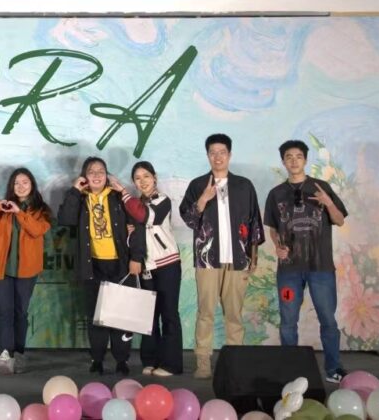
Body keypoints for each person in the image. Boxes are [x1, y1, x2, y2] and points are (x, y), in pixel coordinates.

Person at [179, 133, 264, 379]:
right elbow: (188, 219)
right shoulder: (197, 185)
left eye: (222, 152)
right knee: (205, 311)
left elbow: (254, 222)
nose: (217, 157)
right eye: (213, 152)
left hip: (238, 259)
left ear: (229, 155)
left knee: (234, 314)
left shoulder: (244, 185)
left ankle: (235, 361)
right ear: (207, 155)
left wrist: (253, 256)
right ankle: (203, 361)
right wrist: (203, 200)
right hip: (207, 260)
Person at [264, 139, 349, 383]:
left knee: (328, 320)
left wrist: (328, 202)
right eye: (289, 157)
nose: (294, 161)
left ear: (305, 160)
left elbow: (340, 220)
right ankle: (291, 370)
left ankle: (333, 368)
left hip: (320, 268)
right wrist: (277, 246)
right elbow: (273, 227)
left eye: (298, 156)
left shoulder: (321, 187)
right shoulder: (276, 194)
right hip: (289, 271)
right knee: (288, 321)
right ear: (283, 161)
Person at [57, 156, 147, 376]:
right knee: (96, 317)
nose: (96, 175)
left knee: (120, 316)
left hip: (120, 265)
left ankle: (121, 360)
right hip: (92, 266)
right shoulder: (80, 199)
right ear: (84, 177)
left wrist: (136, 257)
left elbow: (137, 226)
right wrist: (74, 191)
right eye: (91, 171)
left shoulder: (118, 197)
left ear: (107, 176)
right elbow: (65, 219)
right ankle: (97, 359)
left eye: (101, 171)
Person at [0, 167, 52, 375]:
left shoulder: (41, 210)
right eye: (16, 183)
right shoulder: (1, 208)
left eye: (25, 182)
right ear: (11, 186)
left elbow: (37, 230)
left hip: (27, 270)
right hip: (0, 269)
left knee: (20, 313)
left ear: (32, 185)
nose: (21, 186)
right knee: (4, 312)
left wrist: (19, 213)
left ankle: (19, 353)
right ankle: (5, 353)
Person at [129, 161, 183, 377]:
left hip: (168, 264)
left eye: (146, 176)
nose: (142, 181)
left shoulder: (163, 200)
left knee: (169, 314)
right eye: (137, 178)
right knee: (149, 316)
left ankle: (171, 365)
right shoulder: (134, 206)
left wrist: (123, 194)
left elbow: (148, 216)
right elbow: (133, 232)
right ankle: (151, 360)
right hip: (146, 267)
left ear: (155, 178)